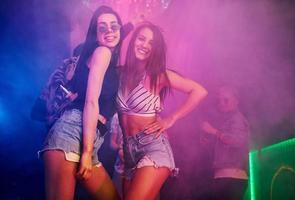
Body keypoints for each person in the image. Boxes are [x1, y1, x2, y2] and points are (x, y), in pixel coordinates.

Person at [39, 6, 126, 200]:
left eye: (114, 26)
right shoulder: (103, 52)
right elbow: (91, 101)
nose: (110, 31)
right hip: (71, 136)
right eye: (102, 28)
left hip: (85, 140)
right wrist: (86, 152)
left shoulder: (102, 58)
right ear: (95, 33)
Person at [117, 22, 208, 200]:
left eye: (151, 43)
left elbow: (199, 91)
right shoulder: (120, 74)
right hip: (128, 152)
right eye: (141, 39)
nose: (144, 45)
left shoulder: (156, 76)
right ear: (133, 40)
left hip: (152, 147)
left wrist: (170, 119)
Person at [200, 86, 249, 200]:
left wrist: (213, 131)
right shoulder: (226, 120)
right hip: (225, 176)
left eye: (225, 100)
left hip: (232, 177)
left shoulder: (237, 119)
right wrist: (208, 144)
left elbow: (238, 141)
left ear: (236, 101)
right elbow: (225, 145)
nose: (221, 103)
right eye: (219, 100)